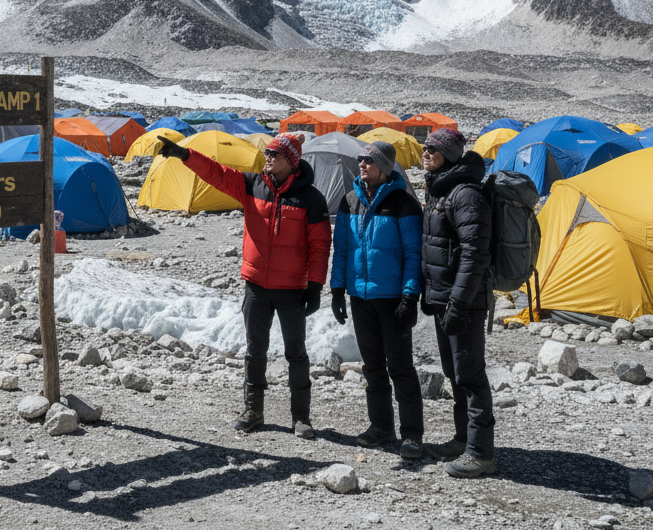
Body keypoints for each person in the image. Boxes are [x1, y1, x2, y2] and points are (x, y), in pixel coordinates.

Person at [157, 131, 330, 438]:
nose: (268, 158)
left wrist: (315, 287)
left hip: (291, 288)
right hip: (256, 285)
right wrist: (185, 154)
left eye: (274, 155)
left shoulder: (311, 199)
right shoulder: (253, 185)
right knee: (255, 350)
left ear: (290, 161)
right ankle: (253, 411)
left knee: (296, 353)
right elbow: (217, 175)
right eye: (268, 153)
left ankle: (301, 417)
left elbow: (319, 247)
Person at [330, 140, 425, 459]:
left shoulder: (404, 204)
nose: (362, 164)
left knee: (401, 367)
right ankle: (381, 427)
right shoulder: (348, 202)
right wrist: (337, 290)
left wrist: (410, 296)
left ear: (384, 167)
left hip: (393, 299)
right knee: (372, 366)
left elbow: (414, 254)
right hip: (361, 298)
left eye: (369, 160)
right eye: (361, 159)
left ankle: (412, 435)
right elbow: (341, 249)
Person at [420, 127, 497, 478]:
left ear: (449, 154)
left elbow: (474, 254)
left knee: (470, 376)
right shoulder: (441, 188)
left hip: (462, 302)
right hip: (443, 299)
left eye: (433, 148)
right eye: (425, 147)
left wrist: (458, 303)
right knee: (454, 374)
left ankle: (481, 454)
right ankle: (463, 438)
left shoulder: (465, 193)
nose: (425, 152)